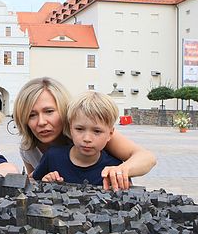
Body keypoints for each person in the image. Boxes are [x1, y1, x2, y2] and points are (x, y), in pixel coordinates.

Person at [13, 77, 156, 190]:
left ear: (64, 111)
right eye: (32, 115)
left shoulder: (89, 128)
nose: (41, 122)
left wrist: (119, 171)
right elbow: (34, 182)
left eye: (49, 111)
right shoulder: (28, 148)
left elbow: (146, 157)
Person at [33, 91, 122, 185]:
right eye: (79, 129)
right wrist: (45, 182)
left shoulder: (115, 168)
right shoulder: (52, 157)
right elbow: (33, 184)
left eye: (97, 131)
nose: (87, 138)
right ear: (70, 129)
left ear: (110, 134)